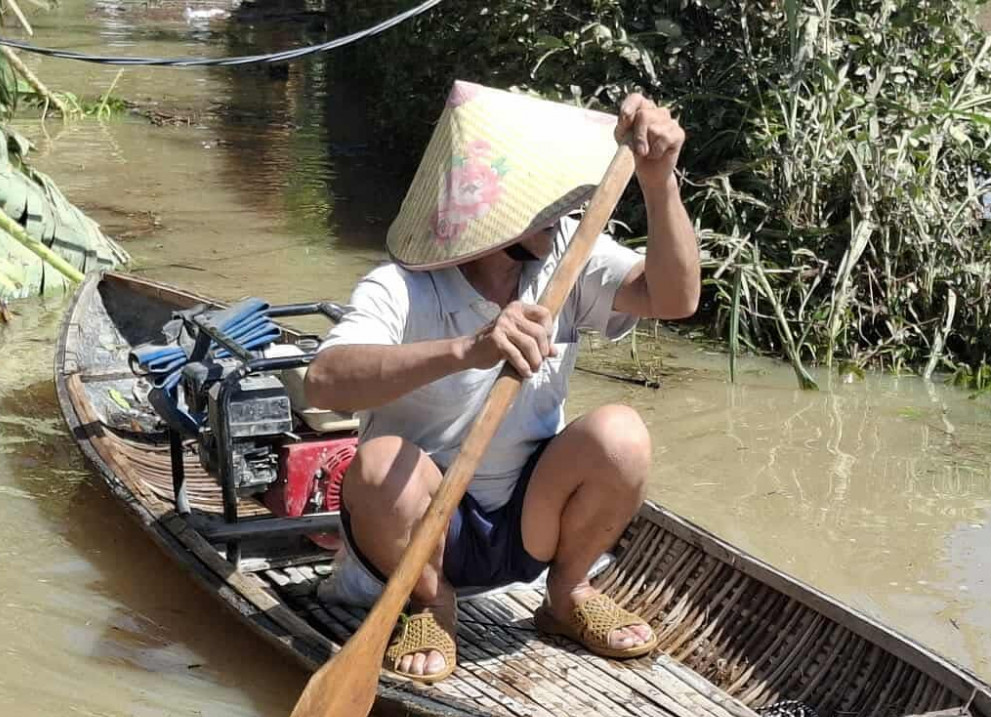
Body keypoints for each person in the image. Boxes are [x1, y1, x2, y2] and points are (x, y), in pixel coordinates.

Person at [295, 82, 700, 684]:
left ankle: (567, 593)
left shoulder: (568, 255)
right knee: (377, 466)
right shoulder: (402, 287)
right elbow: (324, 382)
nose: (561, 211)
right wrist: (469, 350)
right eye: (542, 201)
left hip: (526, 524)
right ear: (494, 217)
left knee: (622, 435)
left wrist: (659, 180)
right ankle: (431, 604)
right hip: (419, 532)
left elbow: (676, 298)